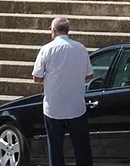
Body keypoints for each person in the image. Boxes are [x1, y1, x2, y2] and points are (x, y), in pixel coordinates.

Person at [31, 16, 93, 166]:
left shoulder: (46, 49)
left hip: (54, 108)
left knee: (55, 149)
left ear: (53, 31)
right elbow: (89, 75)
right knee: (82, 147)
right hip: (76, 106)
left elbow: (36, 78)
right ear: (68, 31)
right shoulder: (80, 48)